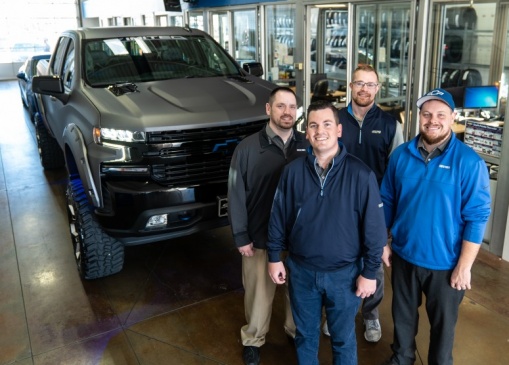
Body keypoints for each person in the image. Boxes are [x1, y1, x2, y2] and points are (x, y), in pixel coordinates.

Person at [267, 100, 387, 365]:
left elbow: (375, 231)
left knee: (343, 339)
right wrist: (274, 255)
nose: (320, 130)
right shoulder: (292, 173)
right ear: (307, 133)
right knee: (305, 336)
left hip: (345, 276)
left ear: (339, 130)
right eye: (313, 125)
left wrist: (369, 273)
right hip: (301, 273)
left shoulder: (360, 174)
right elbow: (278, 217)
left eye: (326, 124)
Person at [379, 88, 491, 365]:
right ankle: (402, 359)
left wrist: (464, 266)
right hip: (405, 256)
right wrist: (383, 241)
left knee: (443, 329)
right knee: (403, 318)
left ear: (452, 117)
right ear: (419, 117)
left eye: (441, 114)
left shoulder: (469, 162)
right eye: (427, 114)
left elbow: (477, 217)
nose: (433, 120)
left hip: (447, 264)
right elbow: (387, 200)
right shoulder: (401, 156)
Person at [227, 86, 309, 365]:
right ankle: (253, 338)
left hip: (300, 238)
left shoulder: (307, 144)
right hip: (260, 237)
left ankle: (295, 332)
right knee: (258, 294)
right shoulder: (247, 148)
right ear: (268, 109)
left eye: (292, 107)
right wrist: (240, 235)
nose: (287, 112)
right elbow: (235, 193)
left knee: (299, 293)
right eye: (281, 106)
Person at [327, 63, 404, 342]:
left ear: (378, 88)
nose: (364, 89)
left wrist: (391, 217)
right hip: (339, 206)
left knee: (374, 263)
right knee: (340, 262)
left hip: (376, 209)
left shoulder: (390, 125)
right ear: (350, 86)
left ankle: (370, 315)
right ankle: (340, 313)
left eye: (370, 84)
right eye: (359, 83)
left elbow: (397, 173)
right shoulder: (334, 120)